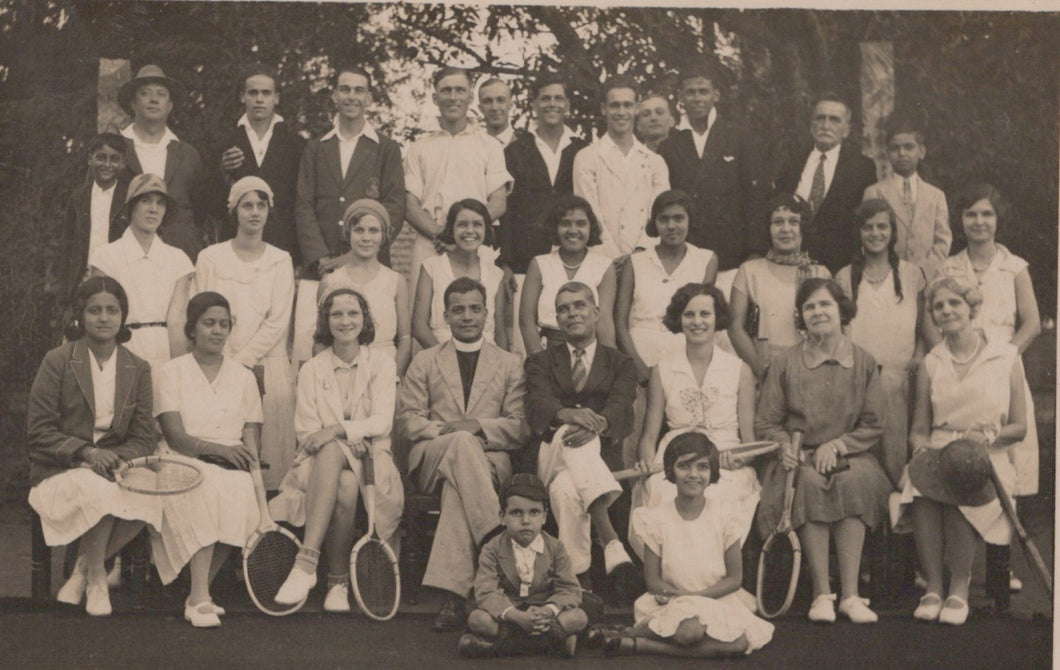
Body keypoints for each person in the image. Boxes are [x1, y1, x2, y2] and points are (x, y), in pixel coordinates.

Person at [755, 278, 892, 624]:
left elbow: (874, 423)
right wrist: (784, 446)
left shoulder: (863, 362)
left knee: (855, 481)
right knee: (810, 483)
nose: (817, 312)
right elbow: (767, 422)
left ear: (841, 310)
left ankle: (850, 596)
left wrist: (838, 444)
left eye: (825, 304)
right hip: (799, 457)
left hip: (851, 455)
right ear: (801, 316)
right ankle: (821, 594)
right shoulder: (785, 363)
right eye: (809, 307)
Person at [398, 277, 530, 632]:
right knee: (459, 443)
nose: (467, 316)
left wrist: (477, 427)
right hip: (432, 458)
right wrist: (453, 431)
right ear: (445, 316)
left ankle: (454, 596)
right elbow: (408, 421)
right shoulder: (425, 360)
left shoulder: (509, 363)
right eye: (458, 310)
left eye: (474, 309)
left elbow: (519, 427)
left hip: (489, 463)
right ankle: (497, 542)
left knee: (457, 492)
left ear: (487, 314)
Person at [27, 277, 160, 617]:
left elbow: (144, 437)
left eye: (112, 310)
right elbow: (39, 431)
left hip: (115, 467)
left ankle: (83, 568)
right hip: (62, 468)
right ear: (80, 316)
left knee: (152, 496)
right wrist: (87, 453)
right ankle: (99, 578)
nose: (104, 318)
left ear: (122, 315)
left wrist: (119, 460)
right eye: (94, 310)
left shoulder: (138, 368)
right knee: (99, 489)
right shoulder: (58, 360)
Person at [897, 276, 1027, 624]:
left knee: (961, 475)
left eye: (954, 302)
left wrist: (986, 438)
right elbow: (919, 429)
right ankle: (933, 586)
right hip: (939, 449)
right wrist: (920, 454)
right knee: (920, 487)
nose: (946, 310)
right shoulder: (932, 361)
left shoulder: (1006, 356)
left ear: (972, 308)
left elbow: (1020, 427)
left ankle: (959, 586)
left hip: (988, 456)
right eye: (938, 306)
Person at [270, 288, 403, 612]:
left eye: (353, 313)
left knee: (335, 455)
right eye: (337, 314)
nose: (345, 321)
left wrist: (335, 431)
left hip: (373, 460)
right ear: (325, 321)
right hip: (319, 465)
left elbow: (382, 422)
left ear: (365, 319)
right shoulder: (311, 369)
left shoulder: (383, 364)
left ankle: (308, 564)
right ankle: (336, 582)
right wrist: (347, 437)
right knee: (343, 481)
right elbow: (307, 433)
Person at [153, 292, 272, 628]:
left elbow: (251, 433)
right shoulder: (170, 372)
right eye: (209, 323)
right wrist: (220, 451)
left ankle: (197, 594)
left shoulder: (244, 376)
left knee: (239, 491)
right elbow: (175, 437)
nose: (217, 330)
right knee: (207, 486)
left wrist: (248, 461)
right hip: (180, 460)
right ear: (192, 328)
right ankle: (200, 597)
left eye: (223, 324)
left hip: (231, 464)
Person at [596, 434, 773, 657]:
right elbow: (653, 582)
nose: (693, 474)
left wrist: (699, 596)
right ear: (670, 470)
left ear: (712, 472)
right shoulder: (656, 518)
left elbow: (734, 579)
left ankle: (639, 641)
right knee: (690, 632)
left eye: (702, 467)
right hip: (672, 600)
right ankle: (642, 636)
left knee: (740, 643)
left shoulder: (726, 515)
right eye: (684, 466)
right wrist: (678, 596)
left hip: (715, 599)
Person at [525, 282, 638, 588]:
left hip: (597, 462)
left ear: (596, 312)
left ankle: (576, 581)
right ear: (557, 319)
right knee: (567, 432)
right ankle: (609, 538)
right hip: (549, 456)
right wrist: (567, 415)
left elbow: (621, 406)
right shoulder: (540, 361)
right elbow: (538, 403)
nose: (572, 313)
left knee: (565, 489)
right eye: (563, 309)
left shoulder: (620, 362)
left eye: (579, 305)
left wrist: (597, 423)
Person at [936, 183, 1041, 497]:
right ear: (961, 219)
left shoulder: (1014, 267)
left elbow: (1032, 323)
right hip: (961, 366)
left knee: (1006, 450)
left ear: (997, 219)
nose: (979, 221)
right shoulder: (949, 268)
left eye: (986, 214)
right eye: (971, 214)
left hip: (1004, 367)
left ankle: (1008, 516)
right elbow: (936, 317)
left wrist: (1006, 359)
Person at [633, 284, 758, 546]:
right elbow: (649, 436)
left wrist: (740, 458)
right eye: (689, 314)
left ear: (717, 318)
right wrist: (646, 464)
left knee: (719, 495)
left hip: (725, 458)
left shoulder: (739, 370)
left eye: (705, 314)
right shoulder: (662, 370)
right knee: (663, 492)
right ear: (679, 319)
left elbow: (749, 441)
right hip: (674, 458)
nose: (697, 322)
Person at [194, 177, 297, 489]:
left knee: (270, 459)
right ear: (234, 210)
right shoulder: (210, 257)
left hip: (267, 364)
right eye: (247, 205)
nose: (254, 212)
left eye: (261, 206)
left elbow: (278, 320)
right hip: (217, 365)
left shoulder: (280, 259)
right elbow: (201, 310)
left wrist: (241, 362)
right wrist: (224, 361)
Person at [836, 199, 932, 486]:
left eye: (882, 226)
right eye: (868, 227)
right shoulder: (844, 277)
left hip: (901, 379)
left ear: (892, 231)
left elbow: (923, 327)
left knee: (897, 454)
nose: (875, 233)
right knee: (864, 456)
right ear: (859, 232)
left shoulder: (912, 274)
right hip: (858, 380)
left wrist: (918, 356)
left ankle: (898, 505)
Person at [500, 72, 588, 355]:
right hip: (526, 260)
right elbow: (507, 210)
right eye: (545, 98)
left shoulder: (582, 150)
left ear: (567, 105)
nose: (552, 104)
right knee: (526, 343)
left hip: (571, 259)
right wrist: (506, 262)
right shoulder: (515, 151)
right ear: (534, 104)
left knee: (573, 340)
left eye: (558, 98)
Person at [404, 66, 511, 295]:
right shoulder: (419, 147)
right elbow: (410, 206)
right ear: (435, 98)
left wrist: (465, 233)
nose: (453, 97)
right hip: (431, 244)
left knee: (479, 308)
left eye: (460, 90)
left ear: (470, 98)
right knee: (424, 310)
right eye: (446, 90)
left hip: (476, 245)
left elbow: (499, 202)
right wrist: (441, 234)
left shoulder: (490, 146)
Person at [459, 474, 587, 659]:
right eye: (516, 513)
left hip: (543, 613)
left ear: (544, 517)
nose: (526, 520)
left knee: (579, 617)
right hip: (509, 614)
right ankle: (550, 644)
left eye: (534, 512)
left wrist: (548, 610)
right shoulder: (491, 549)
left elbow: (568, 589)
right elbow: (486, 591)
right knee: (478, 619)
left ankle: (501, 646)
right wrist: (515, 616)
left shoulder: (556, 547)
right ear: (502, 517)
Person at [295, 64, 405, 274]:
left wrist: (353, 256)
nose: (352, 96)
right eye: (345, 90)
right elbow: (304, 205)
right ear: (335, 96)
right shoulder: (316, 148)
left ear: (368, 98)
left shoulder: (386, 148)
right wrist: (319, 257)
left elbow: (394, 208)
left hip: (370, 263)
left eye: (359, 90)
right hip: (321, 266)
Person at [87, 173, 194, 387]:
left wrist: (180, 372)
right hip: (120, 349)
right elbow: (102, 318)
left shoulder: (179, 259)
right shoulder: (105, 257)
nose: (154, 209)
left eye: (160, 203)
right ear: (131, 208)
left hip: (164, 352)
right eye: (146, 201)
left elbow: (178, 321)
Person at [658, 64, 768, 271]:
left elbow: (755, 197)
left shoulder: (739, 137)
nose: (697, 98)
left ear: (715, 95)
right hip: (686, 254)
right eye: (690, 92)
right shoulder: (669, 145)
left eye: (703, 92)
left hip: (733, 253)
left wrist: (755, 250)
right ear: (681, 96)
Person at [616, 190, 719, 387]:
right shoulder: (635, 262)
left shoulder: (706, 259)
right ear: (654, 223)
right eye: (663, 219)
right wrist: (637, 365)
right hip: (640, 357)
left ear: (689, 220)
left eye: (679, 218)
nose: (671, 226)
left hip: (685, 357)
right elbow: (620, 322)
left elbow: (703, 320)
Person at [729, 193, 830, 380]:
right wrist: (764, 372)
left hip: (810, 374)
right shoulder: (749, 271)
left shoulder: (819, 273)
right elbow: (735, 329)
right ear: (768, 229)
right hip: (763, 374)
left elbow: (831, 330)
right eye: (778, 222)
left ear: (803, 227)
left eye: (793, 221)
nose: (785, 229)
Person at [774, 92, 878, 274]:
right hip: (789, 264)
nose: (826, 126)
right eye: (820, 118)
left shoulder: (862, 168)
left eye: (834, 120)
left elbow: (866, 221)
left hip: (839, 269)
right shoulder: (791, 162)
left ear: (846, 129)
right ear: (811, 125)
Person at [573, 75, 670, 261]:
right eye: (615, 105)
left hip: (646, 259)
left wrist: (639, 254)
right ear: (604, 109)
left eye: (627, 105)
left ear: (636, 108)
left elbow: (659, 213)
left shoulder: (655, 162)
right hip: (600, 259)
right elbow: (589, 213)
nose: (621, 112)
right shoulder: (586, 157)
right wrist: (613, 259)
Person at [217, 65, 306, 263]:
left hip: (282, 247)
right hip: (236, 247)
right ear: (242, 96)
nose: (259, 99)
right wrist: (222, 171)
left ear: (276, 98)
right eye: (253, 93)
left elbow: (301, 203)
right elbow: (213, 205)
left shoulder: (296, 144)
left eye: (266, 93)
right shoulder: (225, 142)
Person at [117, 64, 206, 261]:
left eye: (161, 94)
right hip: (125, 255)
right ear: (133, 103)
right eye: (145, 93)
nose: (154, 99)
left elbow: (200, 209)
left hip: (178, 255)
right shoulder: (115, 150)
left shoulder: (188, 154)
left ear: (170, 105)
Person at [317, 199, 412, 376]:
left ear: (384, 236)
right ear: (348, 233)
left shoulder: (395, 281)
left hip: (384, 368)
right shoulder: (330, 281)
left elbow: (405, 339)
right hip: (341, 370)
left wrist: (392, 378)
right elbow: (321, 340)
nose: (366, 238)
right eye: (359, 230)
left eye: (373, 230)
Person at [519, 195, 616, 354]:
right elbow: (526, 321)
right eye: (565, 224)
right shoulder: (539, 264)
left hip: (589, 352)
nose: (573, 230)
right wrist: (539, 361)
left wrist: (607, 363)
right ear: (555, 228)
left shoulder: (604, 266)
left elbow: (604, 321)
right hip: (548, 350)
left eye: (581, 224)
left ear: (590, 228)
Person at [862, 114, 951, 279]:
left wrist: (923, 273)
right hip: (888, 277)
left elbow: (942, 241)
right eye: (895, 148)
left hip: (926, 278)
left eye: (908, 147)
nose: (901, 153)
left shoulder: (936, 195)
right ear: (887, 153)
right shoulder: (875, 192)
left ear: (921, 151)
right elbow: (868, 238)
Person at [413, 199, 508, 349]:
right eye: (462, 224)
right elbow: (419, 327)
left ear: (486, 230)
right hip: (439, 352)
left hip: (486, 356)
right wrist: (448, 357)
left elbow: (500, 332)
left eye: (477, 224)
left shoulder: (496, 274)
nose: (470, 230)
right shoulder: (431, 267)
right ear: (451, 229)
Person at [52, 133, 130, 313]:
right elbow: (67, 247)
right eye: (101, 158)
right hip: (84, 280)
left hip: (119, 280)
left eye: (114, 159)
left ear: (123, 163)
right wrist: (64, 297)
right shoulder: (78, 198)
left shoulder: (129, 198)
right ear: (90, 159)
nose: (107, 165)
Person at [478, 77, 517, 147]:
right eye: (488, 101)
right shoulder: (473, 146)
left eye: (501, 100)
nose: (494, 108)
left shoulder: (528, 146)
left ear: (510, 105)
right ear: (480, 108)